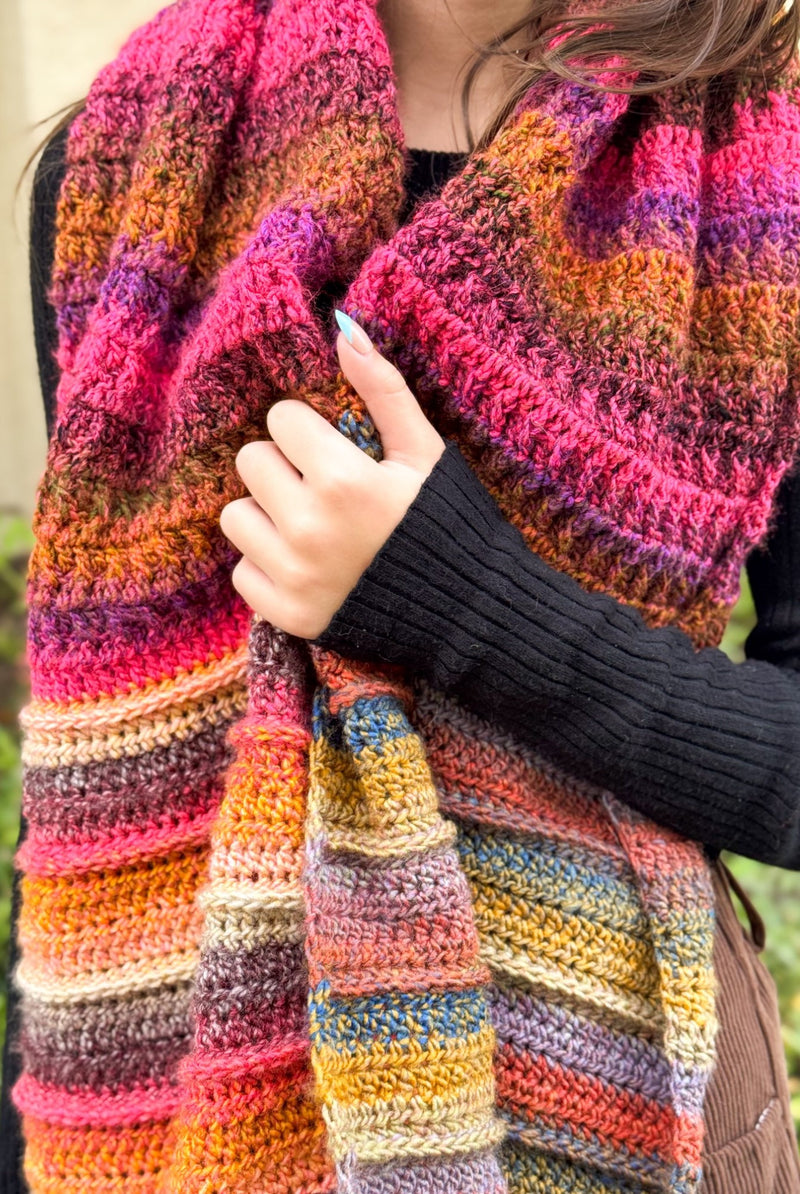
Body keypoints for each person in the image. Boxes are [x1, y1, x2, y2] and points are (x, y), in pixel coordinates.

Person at [2, 1, 800, 1191]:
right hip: (172, 1076)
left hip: (614, 1089)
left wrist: (458, 596)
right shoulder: (126, 161)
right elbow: (106, 711)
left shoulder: (764, 199)